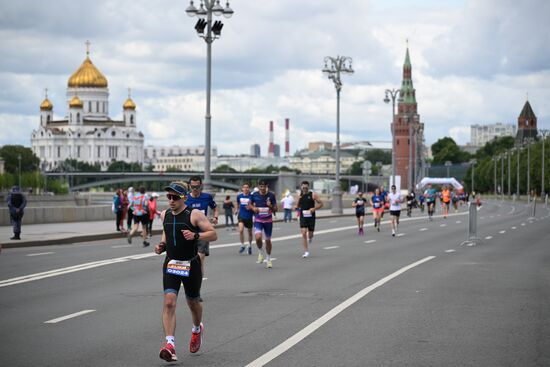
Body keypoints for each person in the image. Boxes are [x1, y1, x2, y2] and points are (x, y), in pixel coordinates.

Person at [155, 181, 217, 362]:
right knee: (169, 302)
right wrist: (162, 246)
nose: (171, 200)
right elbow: (167, 235)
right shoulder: (165, 214)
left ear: (184, 198)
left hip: (191, 265)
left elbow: (213, 234)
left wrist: (196, 235)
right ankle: (170, 345)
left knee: (193, 302)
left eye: (175, 197)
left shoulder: (194, 215)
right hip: (172, 264)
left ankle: (197, 329)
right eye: (169, 197)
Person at [185, 176, 218, 276]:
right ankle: (187, 280)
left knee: (200, 259)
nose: (195, 189)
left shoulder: (207, 197)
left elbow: (215, 208)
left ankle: (198, 283)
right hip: (188, 233)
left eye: (197, 187)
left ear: (201, 186)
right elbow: (175, 203)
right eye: (193, 187)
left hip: (203, 232)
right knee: (187, 259)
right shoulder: (184, 197)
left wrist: (216, 217)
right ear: (189, 186)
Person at [248, 179, 277, 268]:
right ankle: (261, 251)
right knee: (258, 237)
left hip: (268, 221)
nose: (263, 188)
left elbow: (276, 209)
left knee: (268, 240)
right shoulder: (254, 195)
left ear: (267, 187)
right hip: (258, 220)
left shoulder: (271, 195)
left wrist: (270, 206)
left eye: (264, 186)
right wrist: (253, 208)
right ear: (258, 187)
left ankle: (268, 259)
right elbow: (249, 204)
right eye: (261, 186)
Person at [295, 181, 323, 258]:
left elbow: (321, 204)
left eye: (306, 187)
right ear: (301, 187)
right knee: (304, 233)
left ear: (308, 187)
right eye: (303, 187)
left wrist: (314, 208)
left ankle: (310, 238)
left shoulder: (313, 195)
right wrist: (296, 207)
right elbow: (296, 206)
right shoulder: (299, 195)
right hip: (303, 216)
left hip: (311, 217)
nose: (304, 188)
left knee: (310, 234)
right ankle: (306, 251)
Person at [236, 183, 254, 255]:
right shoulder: (239, 196)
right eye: (244, 187)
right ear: (242, 188)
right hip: (241, 215)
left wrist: (251, 207)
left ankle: (249, 245)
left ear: (249, 189)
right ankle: (242, 245)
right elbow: (238, 203)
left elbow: (254, 205)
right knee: (240, 230)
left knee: (249, 232)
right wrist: (237, 209)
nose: (246, 189)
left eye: (247, 187)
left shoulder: (252, 197)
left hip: (249, 216)